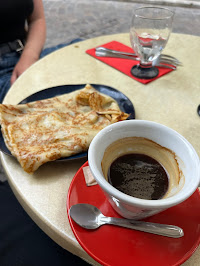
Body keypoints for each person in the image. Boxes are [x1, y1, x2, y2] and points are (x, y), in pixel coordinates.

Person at [0, 1, 87, 265]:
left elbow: (36, 19)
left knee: (86, 54)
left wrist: (29, 58)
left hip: (24, 57)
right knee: (56, 123)